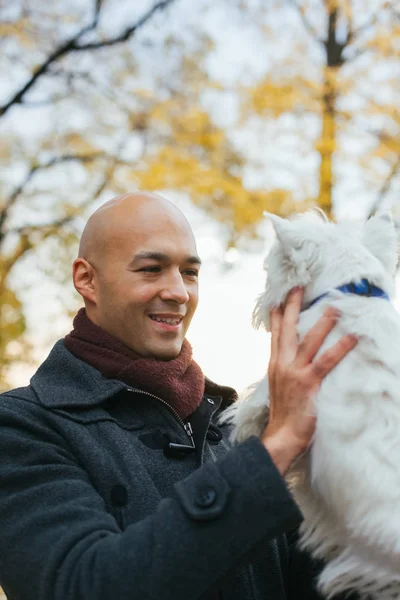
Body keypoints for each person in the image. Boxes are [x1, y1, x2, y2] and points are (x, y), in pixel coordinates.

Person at [0, 192, 357, 600]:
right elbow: (84, 586)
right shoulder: (20, 426)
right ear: (86, 279)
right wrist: (276, 448)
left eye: (189, 272)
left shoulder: (231, 423)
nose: (179, 292)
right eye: (151, 269)